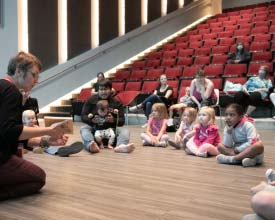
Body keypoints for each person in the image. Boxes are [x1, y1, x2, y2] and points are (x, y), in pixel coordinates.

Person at [0, 52, 69, 201]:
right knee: (37, 178)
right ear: (18, 71)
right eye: (34, 75)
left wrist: (45, 141)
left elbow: (6, 134)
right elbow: (10, 131)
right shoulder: (11, 91)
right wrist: (50, 130)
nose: (36, 81)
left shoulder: (3, 87)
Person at [80, 79, 135, 154]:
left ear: (110, 90)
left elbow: (122, 121)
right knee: (84, 128)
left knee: (125, 131)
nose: (103, 92)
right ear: (98, 90)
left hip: (111, 131)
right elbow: (83, 116)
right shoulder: (91, 99)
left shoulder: (116, 102)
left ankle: (121, 146)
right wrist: (92, 120)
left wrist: (113, 120)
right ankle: (91, 145)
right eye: (101, 89)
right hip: (95, 130)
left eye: (106, 89)